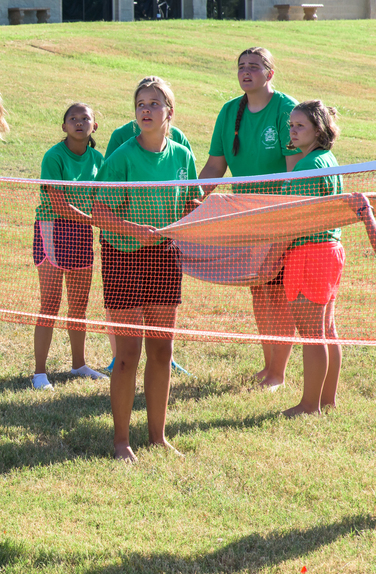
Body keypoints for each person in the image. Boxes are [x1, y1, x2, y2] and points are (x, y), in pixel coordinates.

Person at [90, 77, 202, 462]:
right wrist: (133, 230)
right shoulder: (120, 156)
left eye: (155, 103)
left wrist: (203, 215)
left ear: (169, 112)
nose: (146, 110)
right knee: (127, 354)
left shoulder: (182, 156)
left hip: (165, 258)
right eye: (140, 103)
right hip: (123, 257)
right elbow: (100, 213)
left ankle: (158, 437)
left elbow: (190, 203)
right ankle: (121, 441)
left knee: (162, 350)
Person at [200, 47, 299, 390]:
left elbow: (293, 174)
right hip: (246, 217)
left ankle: (278, 373)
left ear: (270, 74)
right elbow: (215, 166)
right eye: (241, 66)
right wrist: (193, 199)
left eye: (254, 67)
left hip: (279, 216)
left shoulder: (287, 109)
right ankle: (268, 364)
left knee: (277, 292)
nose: (246, 72)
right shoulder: (229, 112)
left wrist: (281, 220)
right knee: (259, 290)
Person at [31, 103, 107, 390]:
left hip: (83, 234)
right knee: (49, 304)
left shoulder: (99, 159)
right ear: (64, 127)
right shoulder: (53, 157)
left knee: (79, 306)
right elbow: (59, 204)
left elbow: (104, 199)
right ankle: (40, 373)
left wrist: (105, 219)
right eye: (72, 119)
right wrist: (99, 220)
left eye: (85, 118)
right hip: (53, 229)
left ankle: (78, 365)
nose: (79, 122)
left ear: (94, 127)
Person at [279, 101, 346, 417]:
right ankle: (328, 400)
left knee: (312, 334)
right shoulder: (327, 160)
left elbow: (296, 219)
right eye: (291, 125)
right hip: (331, 252)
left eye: (300, 126)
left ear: (319, 130)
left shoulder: (308, 166)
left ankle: (310, 405)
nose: (292, 130)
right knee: (327, 330)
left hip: (311, 253)